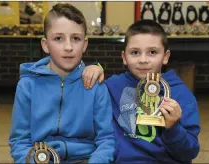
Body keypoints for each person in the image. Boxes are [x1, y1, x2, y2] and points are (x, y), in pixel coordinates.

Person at [8, 3, 115, 163]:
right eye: (58, 38)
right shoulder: (27, 85)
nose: (68, 47)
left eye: (76, 38)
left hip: (85, 158)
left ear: (85, 45)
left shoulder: (96, 85)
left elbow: (107, 139)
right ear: (45, 45)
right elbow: (19, 141)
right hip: (40, 159)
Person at [82, 19, 200, 163]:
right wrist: (95, 67)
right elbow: (89, 93)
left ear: (165, 57)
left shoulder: (182, 95)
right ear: (124, 57)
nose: (143, 60)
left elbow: (189, 153)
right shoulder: (113, 86)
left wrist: (173, 128)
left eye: (152, 52)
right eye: (135, 52)